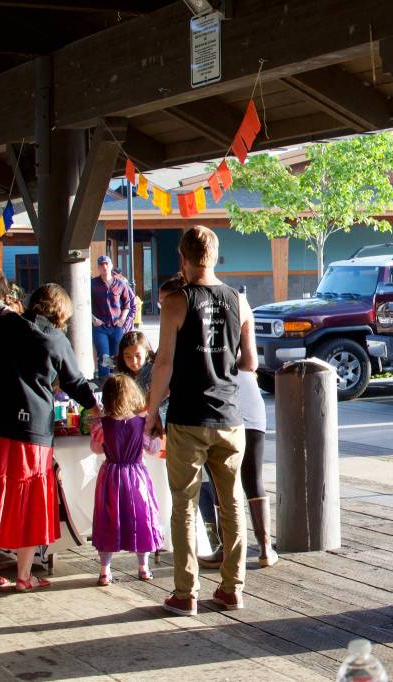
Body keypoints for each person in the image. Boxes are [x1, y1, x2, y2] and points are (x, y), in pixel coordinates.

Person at [147, 226, 258, 616]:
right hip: (230, 417)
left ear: (183, 258)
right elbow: (250, 362)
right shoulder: (239, 301)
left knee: (185, 506)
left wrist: (150, 414)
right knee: (232, 504)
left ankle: (185, 593)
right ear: (214, 255)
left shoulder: (177, 302)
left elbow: (163, 362)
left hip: (188, 417)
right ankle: (232, 589)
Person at [0, 284, 99, 592]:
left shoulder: (6, 323)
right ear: (61, 313)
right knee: (29, 503)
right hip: (31, 430)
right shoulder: (56, 339)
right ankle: (24, 577)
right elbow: (76, 383)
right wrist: (97, 409)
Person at [197, 288, 277, 569]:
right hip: (247, 397)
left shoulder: (195, 310)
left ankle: (225, 548)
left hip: (217, 402)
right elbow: (251, 362)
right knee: (252, 476)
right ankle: (265, 547)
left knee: (220, 478)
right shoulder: (241, 306)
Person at [90, 373, 164, 586]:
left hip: (110, 477)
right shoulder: (142, 423)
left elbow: (95, 449)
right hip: (136, 476)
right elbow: (154, 449)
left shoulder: (102, 424)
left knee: (108, 521)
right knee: (141, 520)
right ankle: (143, 567)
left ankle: (105, 570)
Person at [91, 255, 134, 378]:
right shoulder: (93, 284)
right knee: (104, 355)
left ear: (111, 266)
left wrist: (122, 319)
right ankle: (104, 383)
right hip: (100, 327)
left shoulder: (120, 284)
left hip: (116, 326)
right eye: (101, 265)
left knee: (116, 355)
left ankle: (116, 381)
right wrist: (93, 319)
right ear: (98, 268)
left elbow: (127, 304)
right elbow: (85, 304)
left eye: (107, 264)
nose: (104, 267)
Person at [115, 331, 155, 397]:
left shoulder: (155, 372)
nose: (134, 361)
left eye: (138, 356)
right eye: (128, 357)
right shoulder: (120, 373)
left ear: (146, 353)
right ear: (122, 356)